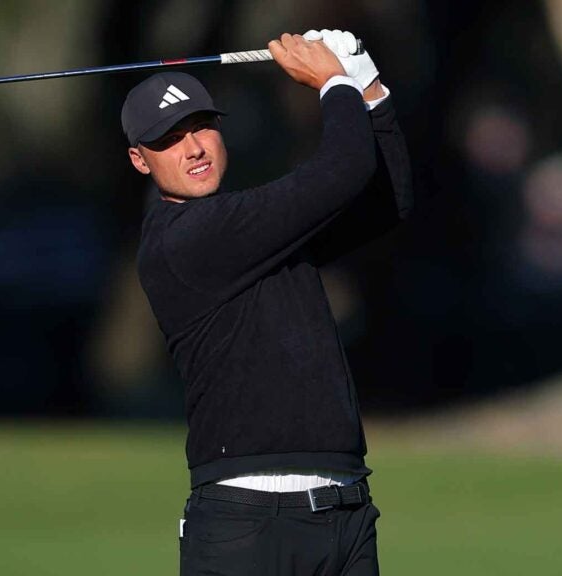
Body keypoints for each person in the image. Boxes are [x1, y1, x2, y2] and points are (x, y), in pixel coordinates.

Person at [121, 29, 412, 575]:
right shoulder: (183, 240)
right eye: (169, 139)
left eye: (201, 127)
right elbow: (341, 171)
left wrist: (370, 90)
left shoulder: (253, 230)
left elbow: (386, 204)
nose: (194, 148)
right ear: (141, 161)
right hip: (246, 524)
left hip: (346, 511)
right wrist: (332, 82)